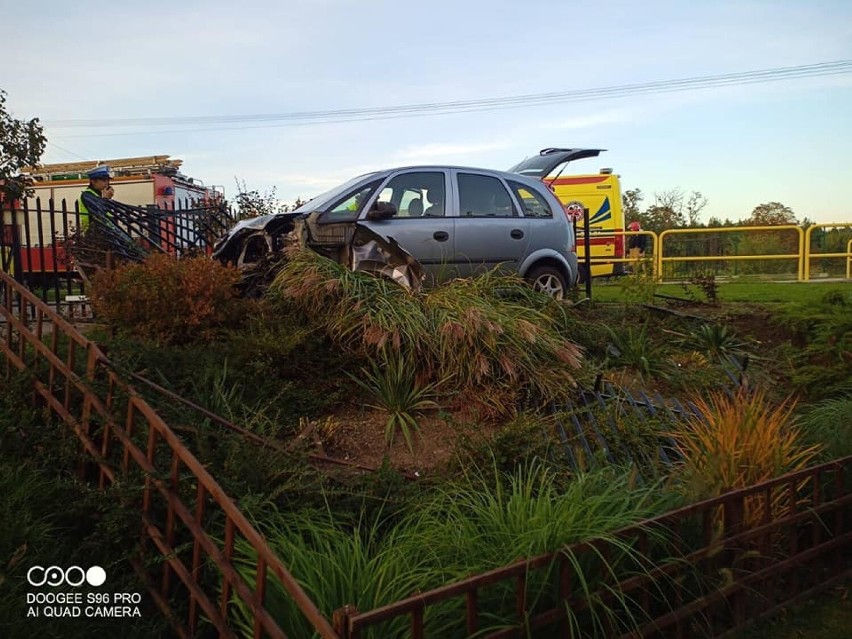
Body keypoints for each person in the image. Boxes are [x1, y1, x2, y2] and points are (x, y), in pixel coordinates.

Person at [77, 165, 114, 232]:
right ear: (93, 181)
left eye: (107, 180)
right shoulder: (87, 195)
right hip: (94, 234)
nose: (107, 183)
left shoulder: (100, 194)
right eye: (103, 180)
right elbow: (99, 213)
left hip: (107, 232)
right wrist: (106, 199)